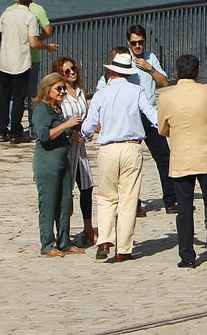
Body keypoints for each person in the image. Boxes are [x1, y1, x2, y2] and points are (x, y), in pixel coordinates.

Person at [80, 50, 158, 262]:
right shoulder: (137, 91)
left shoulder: (101, 94)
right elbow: (152, 116)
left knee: (106, 197)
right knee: (129, 198)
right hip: (132, 147)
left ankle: (104, 239)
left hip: (108, 148)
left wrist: (84, 134)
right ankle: (123, 248)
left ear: (110, 71)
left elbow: (89, 124)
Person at [158, 53, 207, 270]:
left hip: (181, 157)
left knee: (184, 208)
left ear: (177, 72)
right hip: (206, 155)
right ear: (196, 72)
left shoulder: (166, 96)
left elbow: (162, 128)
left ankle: (187, 255)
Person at [30, 71, 84, 257]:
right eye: (58, 88)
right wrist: (66, 126)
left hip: (63, 162)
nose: (62, 92)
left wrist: (72, 135)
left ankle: (64, 241)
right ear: (47, 89)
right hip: (47, 164)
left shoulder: (56, 109)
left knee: (65, 203)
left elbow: (60, 132)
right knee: (48, 204)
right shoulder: (42, 110)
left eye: (63, 89)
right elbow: (44, 136)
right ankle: (47, 244)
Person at [0, 0, 56, 143]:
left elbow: (3, 34)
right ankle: (16, 132)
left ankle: (1, 131)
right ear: (30, 1)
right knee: (18, 98)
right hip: (21, 63)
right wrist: (47, 47)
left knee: (3, 97)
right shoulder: (30, 16)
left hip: (4, 61)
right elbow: (33, 43)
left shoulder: (6, 13)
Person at [126, 24, 175, 215]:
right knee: (132, 161)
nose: (137, 46)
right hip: (131, 115)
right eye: (134, 43)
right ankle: (134, 203)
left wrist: (150, 68)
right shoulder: (123, 58)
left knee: (165, 157)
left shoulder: (150, 57)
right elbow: (105, 83)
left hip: (151, 115)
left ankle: (171, 200)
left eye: (140, 42)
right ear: (128, 43)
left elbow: (164, 82)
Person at [53, 56, 97, 248]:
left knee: (86, 188)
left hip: (81, 149)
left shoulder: (80, 92)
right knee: (66, 193)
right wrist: (70, 133)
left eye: (73, 69)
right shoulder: (60, 96)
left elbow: (86, 117)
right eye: (67, 71)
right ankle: (64, 232)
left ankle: (88, 229)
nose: (72, 73)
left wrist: (91, 129)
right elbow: (57, 119)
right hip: (66, 149)